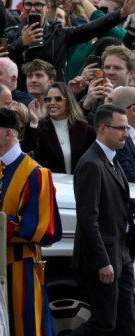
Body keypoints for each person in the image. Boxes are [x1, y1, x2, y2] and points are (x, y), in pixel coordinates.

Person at [0, 109, 62, 336]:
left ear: (8, 133)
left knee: (24, 324)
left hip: (20, 263)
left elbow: (38, 227)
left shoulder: (36, 173)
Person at [71, 104, 135, 336]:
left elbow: (118, 203)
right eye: (121, 129)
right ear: (102, 128)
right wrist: (102, 262)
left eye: (126, 128)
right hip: (105, 258)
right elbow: (88, 220)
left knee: (127, 325)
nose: (126, 134)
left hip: (122, 253)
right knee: (103, 323)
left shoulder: (111, 159)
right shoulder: (91, 163)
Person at [24, 82, 96, 174]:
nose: (52, 103)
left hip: (79, 181)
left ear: (68, 101)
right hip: (49, 181)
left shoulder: (85, 129)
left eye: (58, 99)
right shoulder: (39, 128)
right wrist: (34, 121)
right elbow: (26, 151)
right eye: (48, 99)